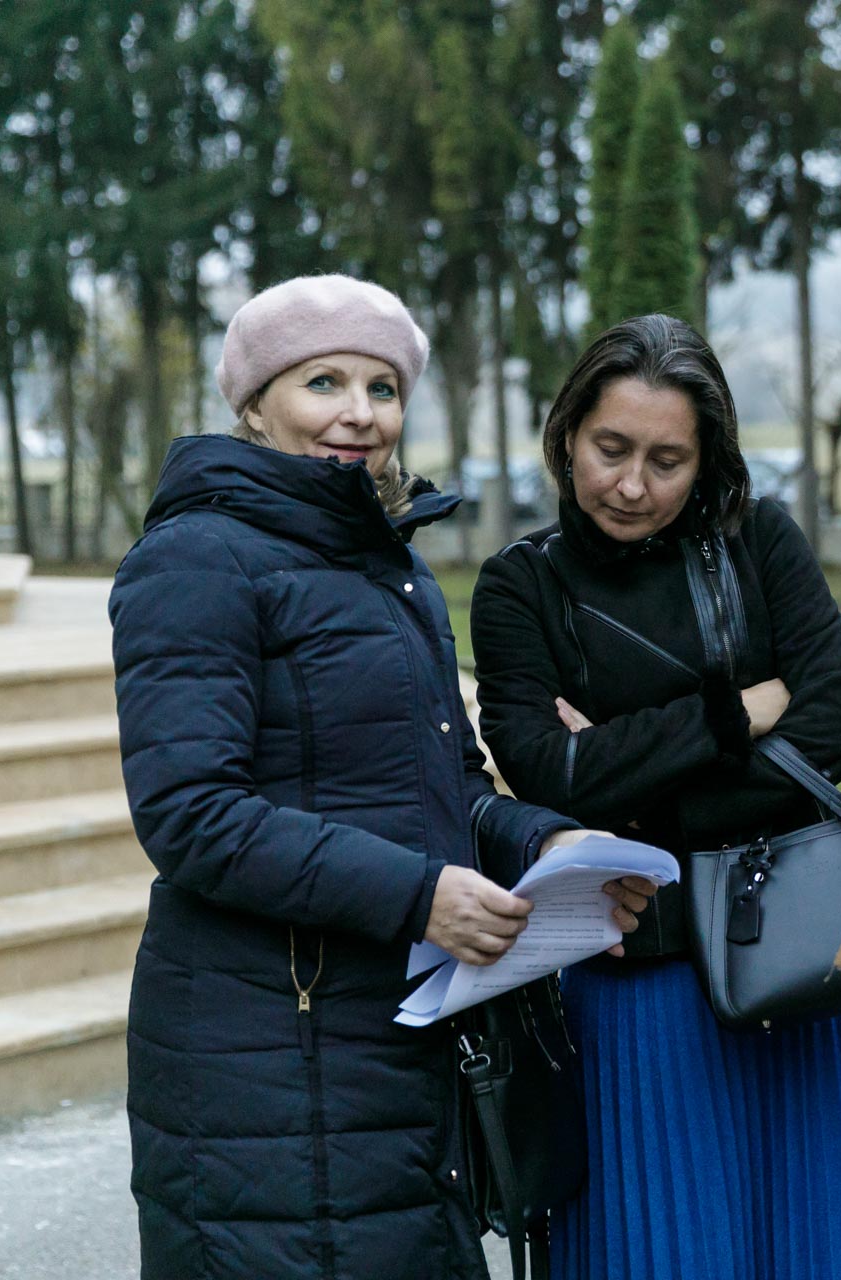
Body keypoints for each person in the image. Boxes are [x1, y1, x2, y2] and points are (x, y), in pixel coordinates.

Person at [110, 275, 647, 1280]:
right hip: (264, 1052)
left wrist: (548, 844)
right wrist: (417, 893)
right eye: (323, 380)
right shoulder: (194, 559)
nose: (360, 412)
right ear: (256, 400)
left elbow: (444, 781)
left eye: (383, 387)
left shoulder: (385, 567)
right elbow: (189, 814)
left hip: (394, 1037)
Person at [468, 313, 841, 1280]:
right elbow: (547, 773)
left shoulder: (761, 541)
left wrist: (632, 793)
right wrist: (735, 717)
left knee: (834, 1251)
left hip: (805, 975)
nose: (633, 485)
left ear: (706, 459)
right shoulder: (521, 587)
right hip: (642, 986)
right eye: (611, 449)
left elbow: (836, 728)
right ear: (565, 436)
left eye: (667, 460)